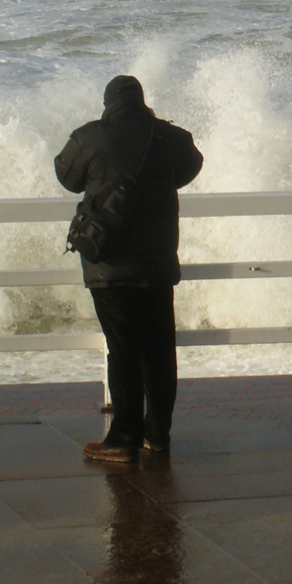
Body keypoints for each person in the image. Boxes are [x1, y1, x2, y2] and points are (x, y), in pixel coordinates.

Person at [55, 75, 203, 462]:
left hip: (110, 266)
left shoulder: (91, 136)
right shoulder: (169, 137)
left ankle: (123, 438)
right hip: (157, 265)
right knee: (158, 349)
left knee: (122, 350)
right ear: (142, 101)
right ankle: (158, 434)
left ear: (108, 104)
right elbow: (190, 167)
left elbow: (66, 175)